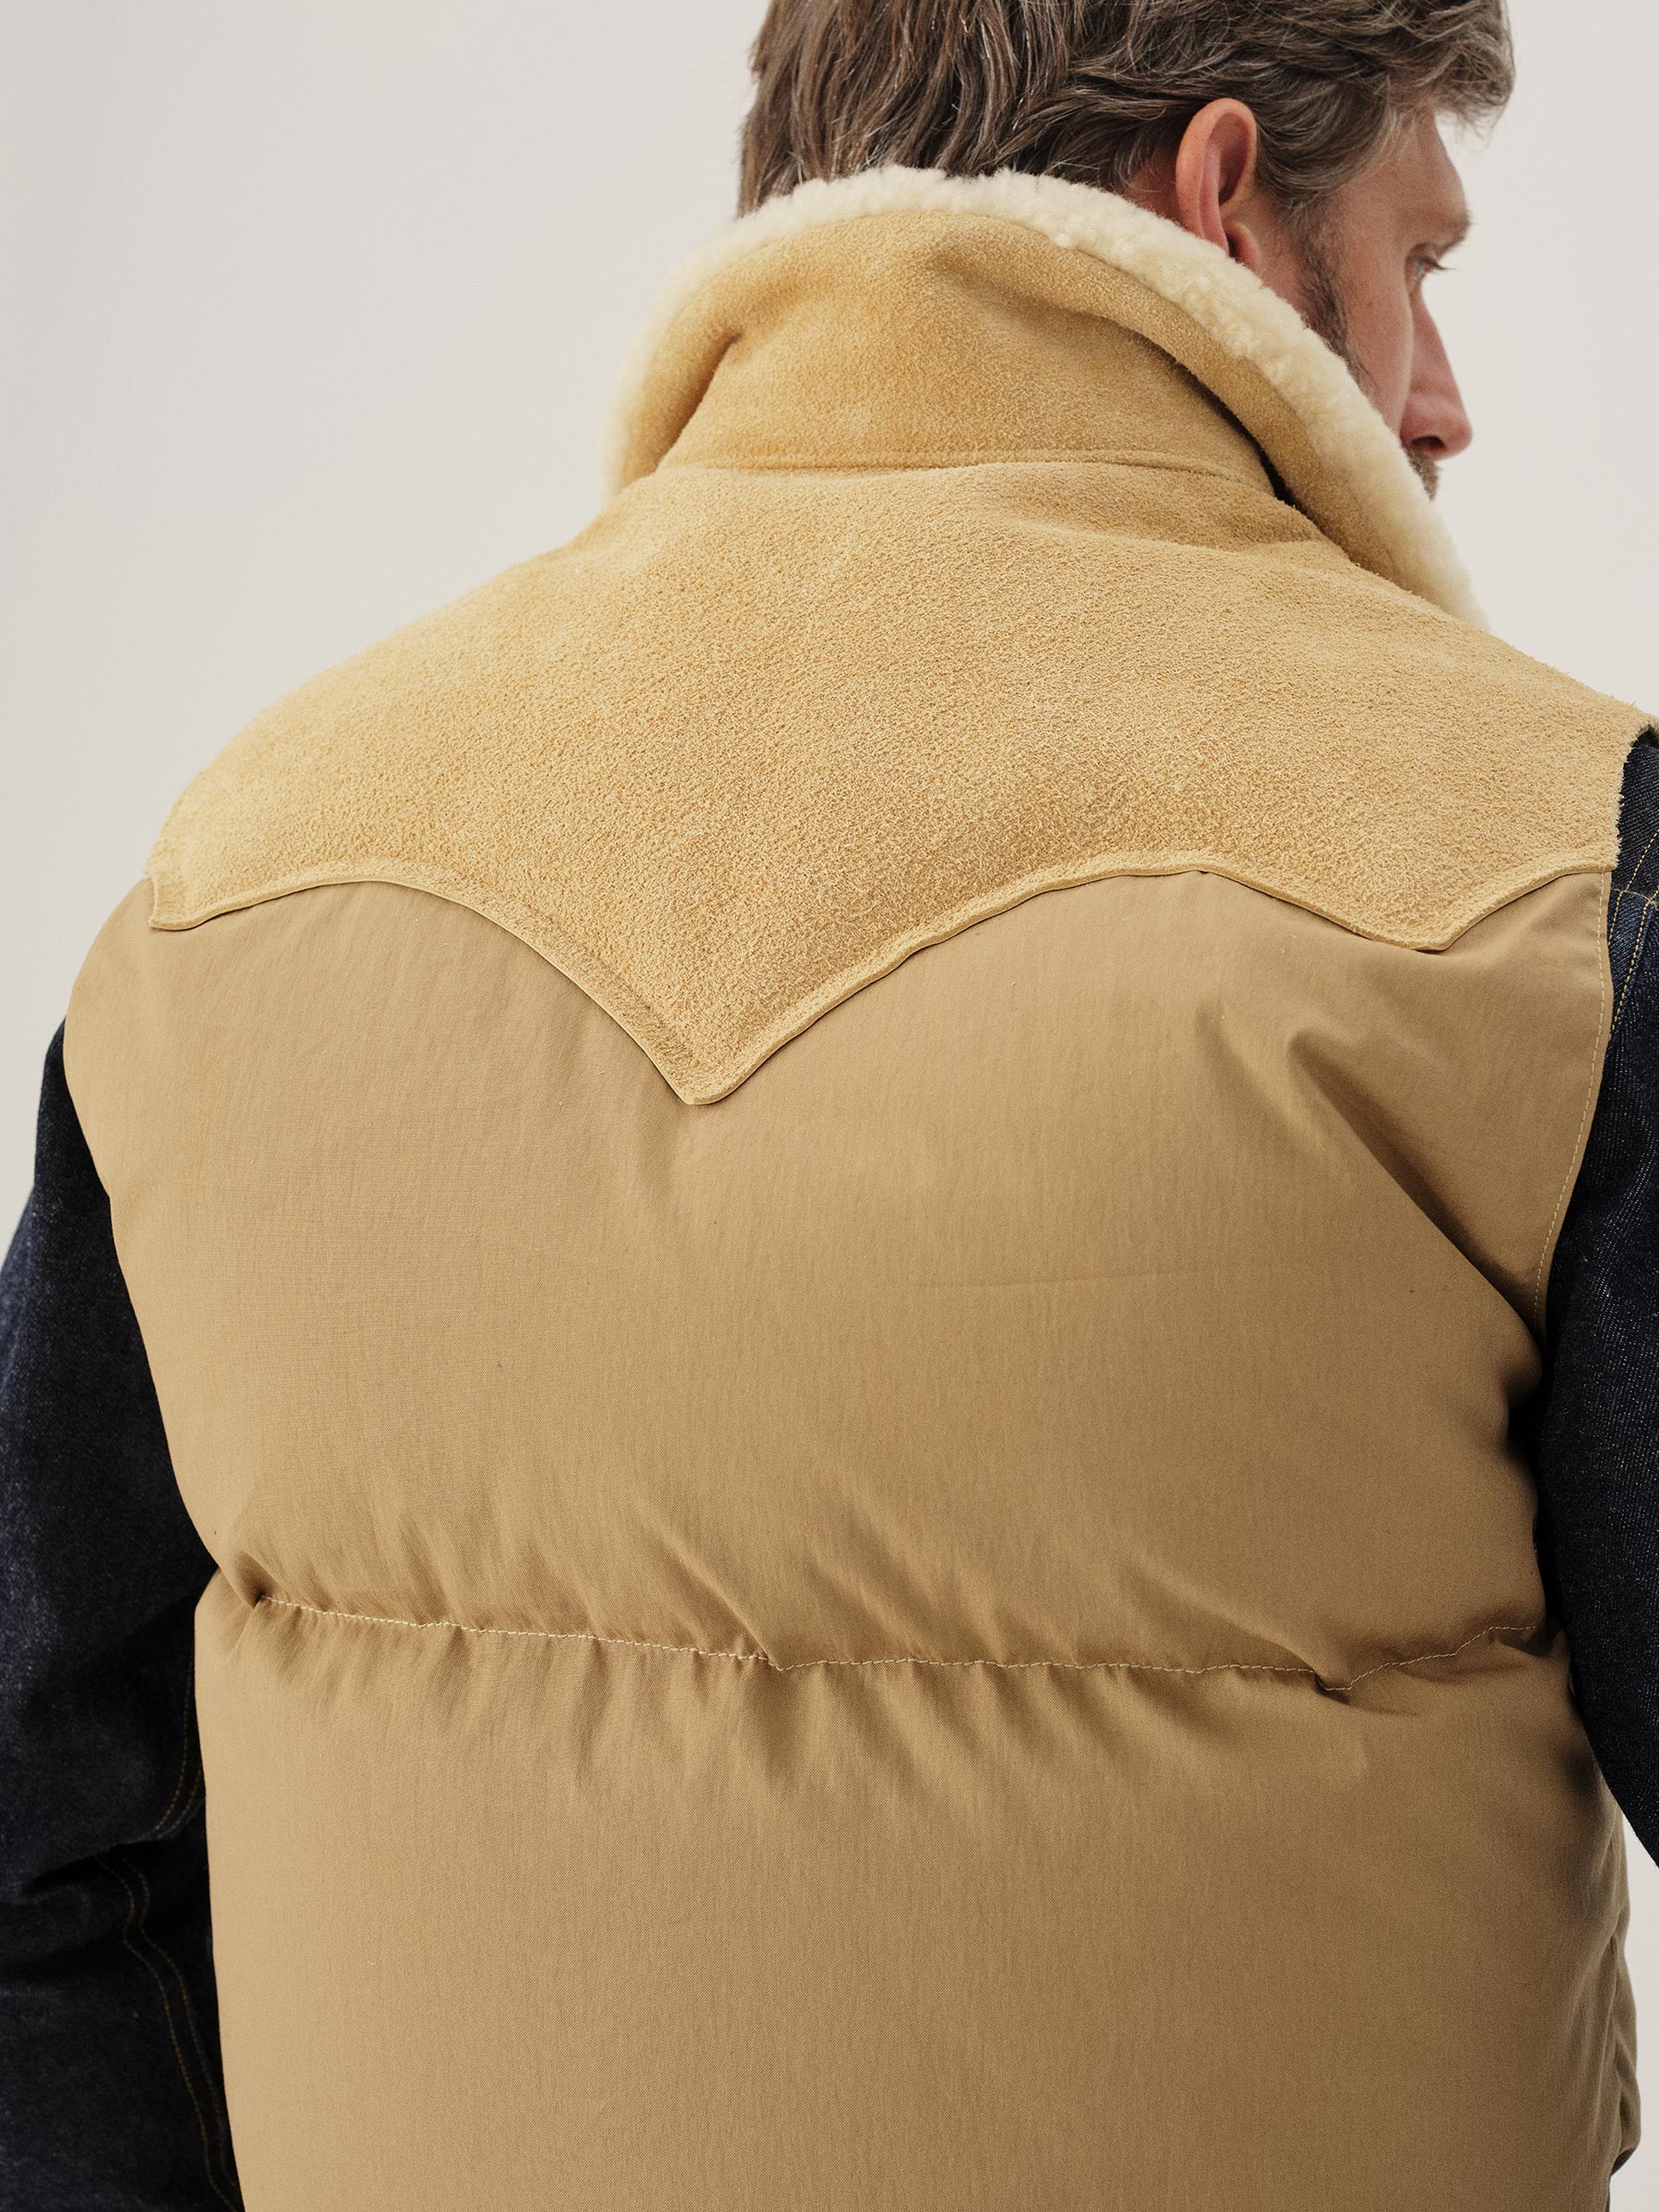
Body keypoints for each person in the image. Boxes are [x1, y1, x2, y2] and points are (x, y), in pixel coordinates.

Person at [3, 2, 1655, 2205]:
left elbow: (50, 1870)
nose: (1442, 399)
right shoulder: (1541, 876)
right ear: (1228, 201)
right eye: (1421, 264)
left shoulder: (232, 889)